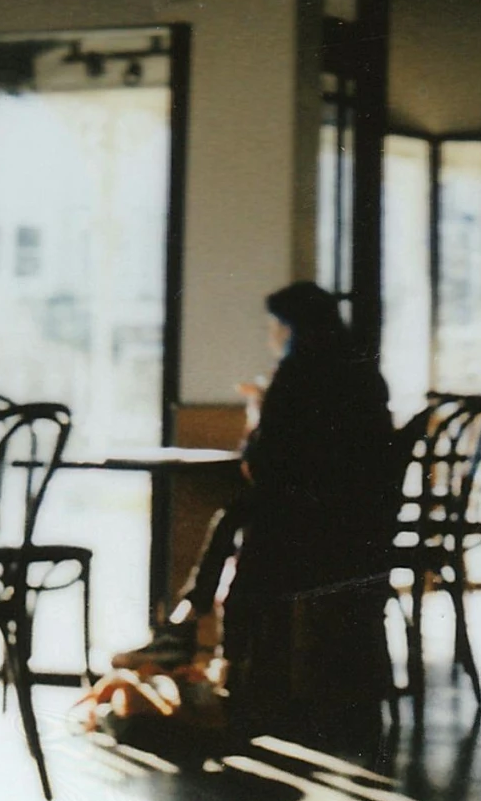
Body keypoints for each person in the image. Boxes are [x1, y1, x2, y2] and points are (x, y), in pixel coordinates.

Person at [112, 282, 401, 675]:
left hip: (310, 527)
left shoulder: (296, 374)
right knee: (238, 516)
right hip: (364, 524)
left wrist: (257, 413)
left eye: (274, 327)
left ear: (289, 328)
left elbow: (263, 464)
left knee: (243, 521)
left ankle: (202, 638)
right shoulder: (364, 373)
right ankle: (191, 626)